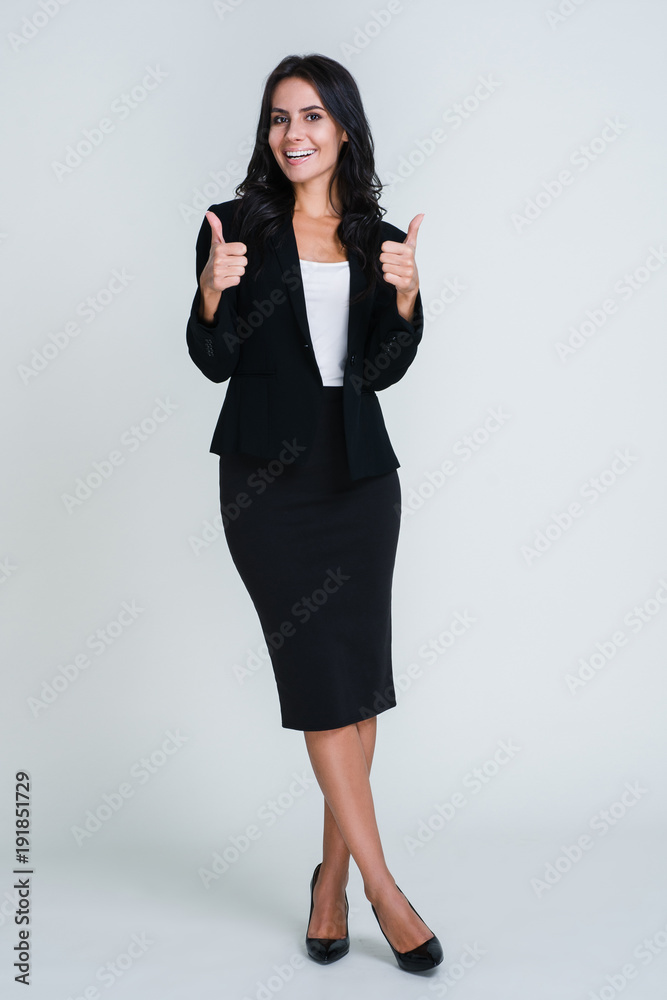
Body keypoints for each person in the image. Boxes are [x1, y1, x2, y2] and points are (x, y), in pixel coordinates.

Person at [185, 53, 443, 973]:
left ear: (342, 128)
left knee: (357, 681)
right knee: (321, 680)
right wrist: (212, 286)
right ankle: (383, 888)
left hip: (361, 480)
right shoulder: (237, 223)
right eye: (277, 119)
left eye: (310, 117)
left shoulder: (374, 233)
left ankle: (329, 884)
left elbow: (378, 368)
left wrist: (406, 299)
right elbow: (211, 356)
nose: (292, 134)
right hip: (267, 483)